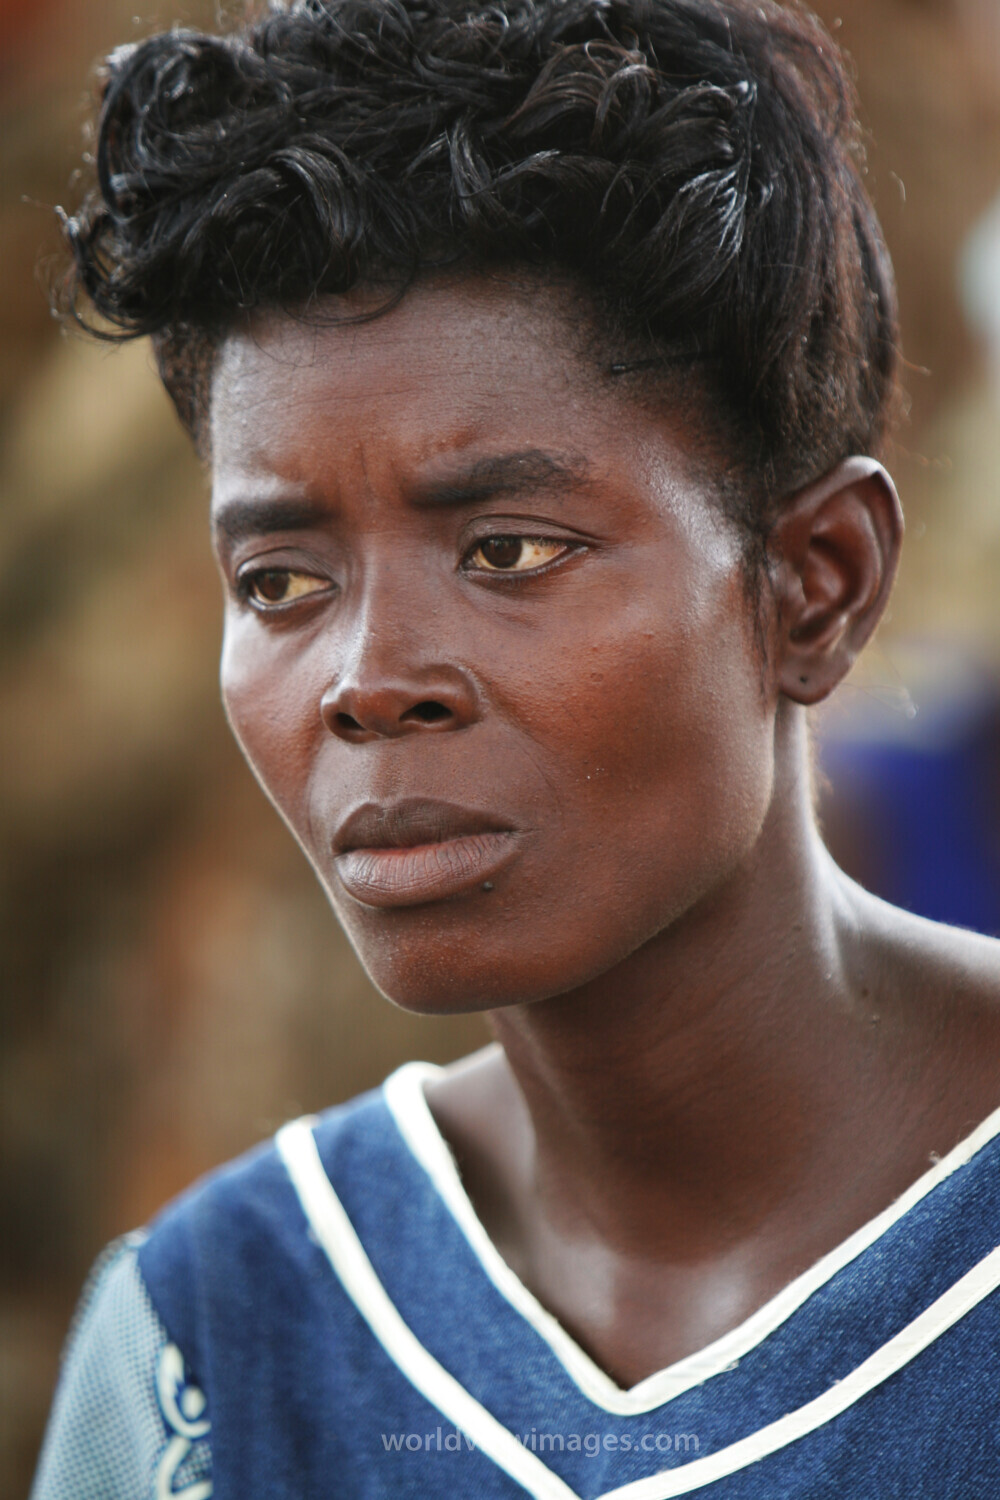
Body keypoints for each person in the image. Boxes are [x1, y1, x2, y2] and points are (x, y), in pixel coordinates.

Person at [31, 0, 1000, 1495]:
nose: (367, 683)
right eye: (278, 583)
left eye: (509, 550)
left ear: (818, 584)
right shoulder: (210, 1350)